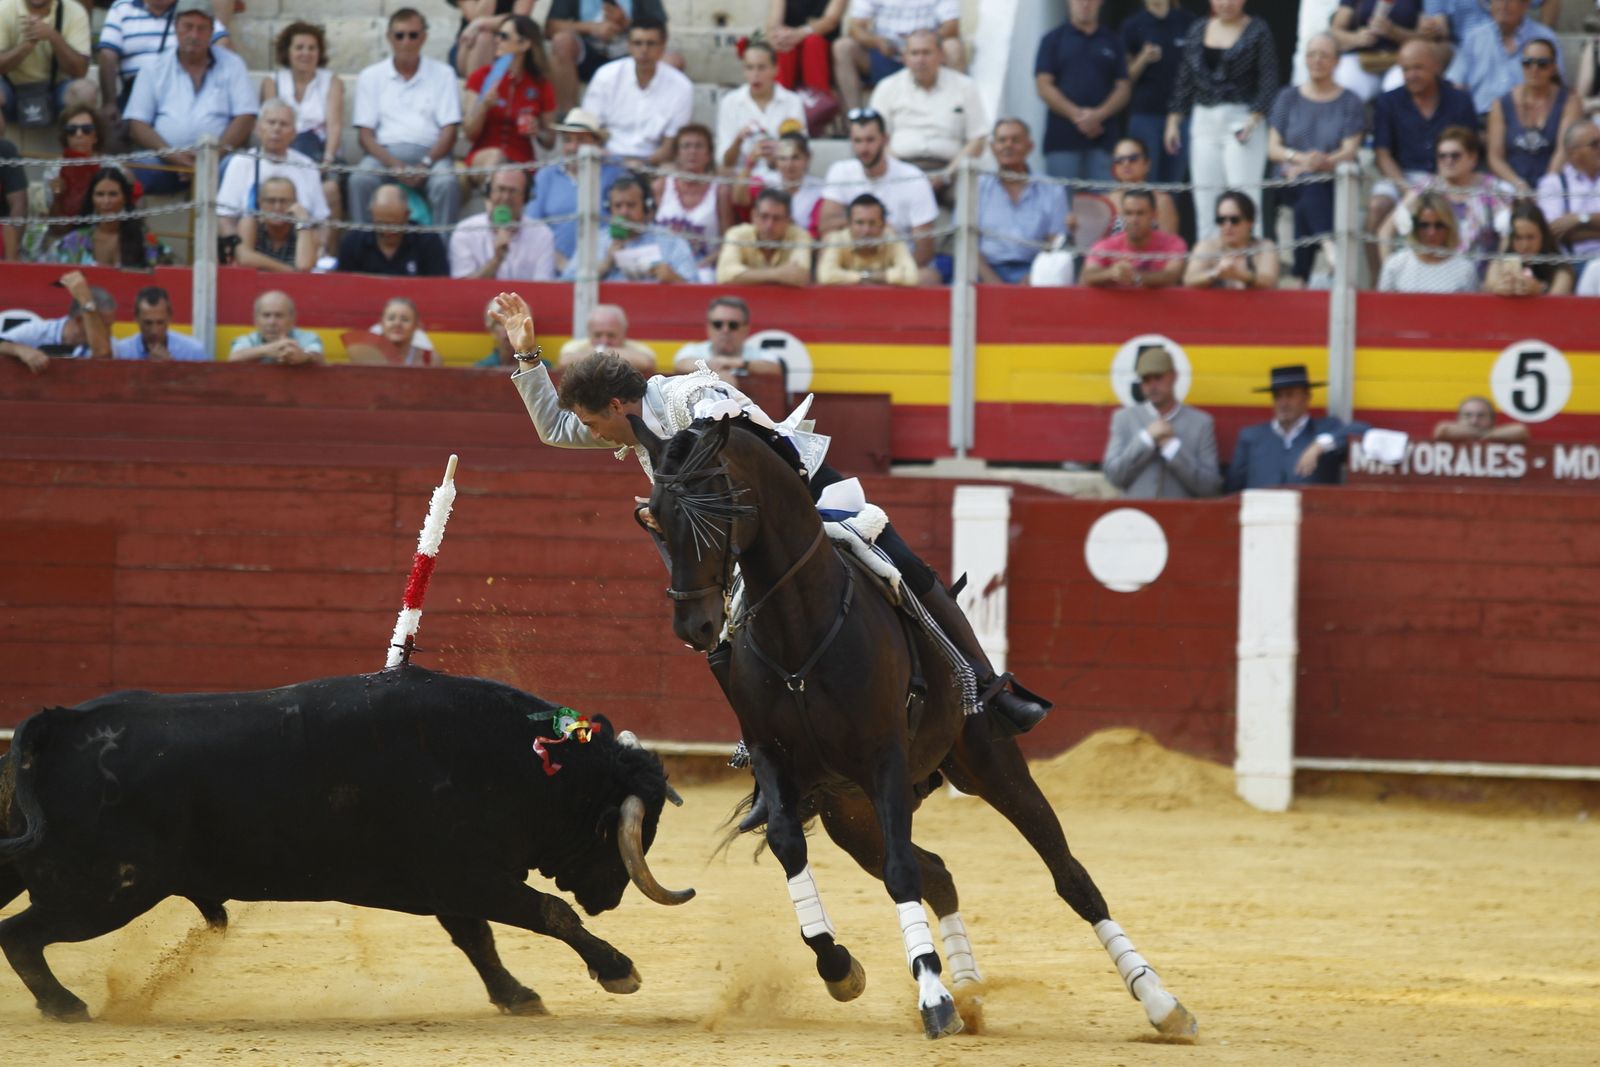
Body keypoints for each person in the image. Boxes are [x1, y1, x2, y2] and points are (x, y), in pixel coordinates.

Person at [493, 294, 1050, 746]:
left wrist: (671, 504)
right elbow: (556, 430)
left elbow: (737, 458)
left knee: (894, 564)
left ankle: (987, 685)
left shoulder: (698, 396)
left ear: (617, 406)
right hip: (743, 536)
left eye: (593, 421)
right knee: (714, 625)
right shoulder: (630, 422)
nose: (588, 433)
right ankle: (764, 738)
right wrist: (527, 357)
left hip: (807, 496)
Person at [1165, 0, 1278, 242]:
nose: (1225, 3)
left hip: (1242, 119)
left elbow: (1268, 81)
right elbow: (1185, 79)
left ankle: (1250, 264)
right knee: (1205, 198)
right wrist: (1174, 120)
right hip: (1204, 119)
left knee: (1245, 195)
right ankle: (1208, 267)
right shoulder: (1198, 28)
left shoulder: (1258, 29)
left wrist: (1254, 118)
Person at [1366, 40, 1478, 278]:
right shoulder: (1388, 101)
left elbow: (1469, 147)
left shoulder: (1459, 99)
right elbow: (1382, 154)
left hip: (1449, 174)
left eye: (1418, 68)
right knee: (1377, 207)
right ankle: (1379, 283)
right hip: (1401, 175)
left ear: (1436, 66)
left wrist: (1443, 180)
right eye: (1405, 69)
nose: (1411, 75)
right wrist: (1405, 187)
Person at [124, 0, 256, 196]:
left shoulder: (232, 64)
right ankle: (136, 228)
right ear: (175, 27)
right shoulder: (154, 68)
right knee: (130, 170)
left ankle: (229, 226)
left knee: (245, 167)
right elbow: (137, 123)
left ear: (212, 31)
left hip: (218, 160)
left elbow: (245, 117)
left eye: (202, 29)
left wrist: (212, 157)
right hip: (166, 161)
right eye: (188, 27)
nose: (194, 35)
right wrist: (173, 156)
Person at [349, 9, 462, 228]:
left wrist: (425, 163)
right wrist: (394, 165)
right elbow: (365, 136)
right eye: (400, 35)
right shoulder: (371, 76)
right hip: (385, 156)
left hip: (431, 156)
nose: (406, 42)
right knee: (360, 180)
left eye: (413, 35)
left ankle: (440, 256)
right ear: (389, 38)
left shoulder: (444, 74)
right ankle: (363, 250)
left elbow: (450, 130)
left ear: (424, 37)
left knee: (447, 183)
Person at [1266, 34, 1365, 285]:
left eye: (1324, 55)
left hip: (1332, 180)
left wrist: (1320, 163)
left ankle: (1301, 275)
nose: (1317, 60)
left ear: (1337, 62)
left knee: (1306, 199)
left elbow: (1350, 150)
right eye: (1311, 54)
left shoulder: (1350, 101)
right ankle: (1329, 246)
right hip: (1291, 181)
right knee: (1307, 186)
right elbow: (1273, 148)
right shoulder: (1287, 97)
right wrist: (1300, 159)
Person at [818, 108, 938, 270]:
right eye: (858, 141)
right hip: (852, 263)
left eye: (870, 140)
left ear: (885, 140)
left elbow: (924, 251)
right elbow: (826, 225)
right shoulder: (840, 171)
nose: (864, 149)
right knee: (828, 240)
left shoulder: (913, 178)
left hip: (899, 264)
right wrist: (874, 225)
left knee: (928, 276)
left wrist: (893, 274)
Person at [871, 27, 987, 194]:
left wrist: (947, 174)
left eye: (926, 53)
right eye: (914, 53)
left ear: (941, 55)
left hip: (951, 172)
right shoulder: (887, 87)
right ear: (904, 57)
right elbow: (877, 138)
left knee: (974, 196)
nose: (920, 59)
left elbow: (978, 139)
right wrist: (902, 172)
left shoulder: (965, 86)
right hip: (899, 170)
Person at [1102, 344, 1221, 500]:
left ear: (1173, 376)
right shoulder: (1123, 419)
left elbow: (1210, 487)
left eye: (1158, 378)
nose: (1152, 386)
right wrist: (1146, 438)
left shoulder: (1201, 423)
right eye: (1146, 380)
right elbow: (1114, 476)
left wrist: (1172, 448)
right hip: (1137, 518)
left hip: (1182, 519)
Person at [1034, 0, 1130, 188]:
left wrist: (1098, 115)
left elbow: (1123, 87)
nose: (1085, 4)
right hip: (1062, 141)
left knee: (1104, 208)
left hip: (1104, 141)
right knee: (1062, 209)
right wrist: (1078, 116)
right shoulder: (1052, 40)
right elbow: (1043, 86)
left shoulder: (1113, 41)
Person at [1382, 126, 1509, 266]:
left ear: (1473, 158)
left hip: (1480, 281)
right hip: (1431, 277)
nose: (1448, 161)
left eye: (1455, 155)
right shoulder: (1426, 187)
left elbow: (1509, 233)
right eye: (1442, 156)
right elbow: (1386, 231)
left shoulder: (1491, 188)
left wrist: (1496, 270)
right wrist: (1391, 273)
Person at [259, 20, 343, 232]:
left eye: (312, 48)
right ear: (287, 51)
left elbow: (334, 126)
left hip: (320, 153)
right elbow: (269, 123)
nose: (306, 53)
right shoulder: (273, 81)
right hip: (282, 151)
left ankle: (326, 258)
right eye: (299, 47)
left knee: (330, 188)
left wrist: (327, 160)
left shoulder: (331, 81)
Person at [1224, 364, 1359, 492]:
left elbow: (1361, 429)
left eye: (1290, 395)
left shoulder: (1326, 428)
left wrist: (1319, 446)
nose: (1283, 403)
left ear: (1307, 397)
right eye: (1278, 396)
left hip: (1311, 513)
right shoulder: (1252, 436)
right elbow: (1234, 486)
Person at [580, 17, 692, 167]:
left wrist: (642, 164)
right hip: (605, 161)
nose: (644, 50)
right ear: (629, 46)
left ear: (663, 47)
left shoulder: (681, 86)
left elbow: (671, 144)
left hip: (654, 165)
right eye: (638, 43)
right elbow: (589, 129)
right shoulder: (606, 76)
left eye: (651, 44)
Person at [216, 98, 330, 240]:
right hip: (249, 248)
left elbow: (321, 221)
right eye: (271, 122)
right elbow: (225, 218)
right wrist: (235, 249)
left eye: (284, 124)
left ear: (294, 132)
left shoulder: (308, 166)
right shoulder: (240, 163)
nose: (276, 129)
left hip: (297, 249)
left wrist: (319, 251)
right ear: (258, 129)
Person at [98, 0, 229, 123]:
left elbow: (221, 42)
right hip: (135, 93)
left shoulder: (190, 6)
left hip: (183, 90)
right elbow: (107, 55)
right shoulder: (122, 7)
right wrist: (109, 103)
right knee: (113, 133)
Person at [528, 107, 625, 268]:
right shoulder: (546, 175)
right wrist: (562, 266)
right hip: (552, 269)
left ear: (597, 143)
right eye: (567, 140)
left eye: (581, 140)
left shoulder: (614, 173)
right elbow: (532, 227)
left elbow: (624, 221)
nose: (573, 147)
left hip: (605, 268)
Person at [462, 14, 557, 175]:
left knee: (517, 174)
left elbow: (551, 140)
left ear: (524, 44)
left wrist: (537, 131)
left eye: (504, 36)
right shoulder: (481, 77)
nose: (497, 40)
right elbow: (469, 133)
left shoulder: (541, 85)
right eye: (497, 34)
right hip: (484, 157)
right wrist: (484, 106)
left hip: (522, 162)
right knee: (497, 158)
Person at [977, 117, 1068, 285]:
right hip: (984, 271)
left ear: (1030, 147)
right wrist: (992, 281)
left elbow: (1055, 242)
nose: (1008, 145)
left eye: (1016, 140)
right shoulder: (977, 187)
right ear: (992, 148)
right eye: (1002, 140)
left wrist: (1033, 276)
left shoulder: (1052, 188)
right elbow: (965, 242)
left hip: (1034, 270)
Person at [562, 172, 697, 283]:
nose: (624, 212)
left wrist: (673, 278)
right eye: (618, 206)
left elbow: (696, 291)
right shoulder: (595, 242)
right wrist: (604, 266)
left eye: (631, 205)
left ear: (646, 207)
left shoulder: (671, 242)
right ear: (610, 209)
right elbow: (564, 283)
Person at [1486, 38, 1582, 193]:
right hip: (1511, 185)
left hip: (1555, 183)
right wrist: (1518, 185)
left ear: (1553, 68)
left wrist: (1547, 185)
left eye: (1542, 63)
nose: (1534, 68)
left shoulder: (1569, 101)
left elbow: (1564, 150)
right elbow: (1495, 157)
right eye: (1527, 62)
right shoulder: (1501, 104)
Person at [834, 0, 964, 112]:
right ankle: (856, 124)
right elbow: (855, 28)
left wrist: (922, 43)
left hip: (925, 54)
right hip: (884, 54)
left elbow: (952, 26)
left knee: (953, 47)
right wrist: (876, 42)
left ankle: (953, 115)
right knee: (843, 47)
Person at [545, 0, 671, 116]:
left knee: (672, 61)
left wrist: (625, 23)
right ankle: (568, 118)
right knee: (562, 41)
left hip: (630, 55)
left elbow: (660, 30)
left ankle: (653, 119)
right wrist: (591, 28)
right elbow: (551, 28)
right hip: (588, 55)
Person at [1120, 0, 1196, 185]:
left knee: (1174, 184)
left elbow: (1199, 70)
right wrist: (1143, 59)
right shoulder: (1133, 25)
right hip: (1146, 116)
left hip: (1180, 117)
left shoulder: (1187, 21)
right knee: (1143, 182)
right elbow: (1123, 79)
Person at [1446, 0, 1562, 116]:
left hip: (1525, 121)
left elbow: (1557, 86)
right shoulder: (1474, 38)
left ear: (1525, 4)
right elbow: (1455, 83)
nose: (1503, 5)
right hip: (1479, 120)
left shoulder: (1545, 37)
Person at [43, 167, 172, 267]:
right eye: (100, 194)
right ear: (92, 199)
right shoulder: (73, 242)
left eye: (113, 194)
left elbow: (166, 273)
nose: (106, 201)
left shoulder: (145, 240)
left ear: (124, 199)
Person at [448, 165, 557, 280]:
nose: (505, 197)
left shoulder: (542, 235)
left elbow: (543, 289)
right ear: (489, 192)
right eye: (501, 189)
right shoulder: (465, 231)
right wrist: (496, 260)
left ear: (525, 197)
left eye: (513, 191)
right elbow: (461, 290)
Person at [717, 39, 806, 176]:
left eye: (761, 67)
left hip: (782, 179)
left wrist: (777, 152)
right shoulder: (730, 102)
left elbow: (801, 153)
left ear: (775, 69)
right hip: (742, 181)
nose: (755, 75)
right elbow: (725, 162)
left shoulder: (792, 101)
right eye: (750, 68)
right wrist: (738, 140)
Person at [651, 123, 727, 283]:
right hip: (664, 264)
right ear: (677, 154)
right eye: (686, 146)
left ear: (708, 155)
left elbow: (728, 241)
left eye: (699, 146)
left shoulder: (720, 191)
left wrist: (706, 262)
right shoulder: (662, 186)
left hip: (703, 267)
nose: (692, 151)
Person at [0, 270, 112, 370]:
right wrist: (20, 350)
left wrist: (85, 300)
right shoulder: (41, 330)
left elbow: (102, 355)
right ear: (78, 320)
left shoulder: (110, 344)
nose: (109, 332)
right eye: (104, 326)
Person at [0, 0, 91, 123]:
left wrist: (53, 36)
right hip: (11, 92)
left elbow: (80, 71)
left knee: (85, 91)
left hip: (55, 93)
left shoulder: (75, 11)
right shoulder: (4, 8)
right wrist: (26, 46)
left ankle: (76, 138)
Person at [335, 183, 450, 276]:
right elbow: (343, 288)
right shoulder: (353, 242)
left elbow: (440, 289)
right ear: (372, 214)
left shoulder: (429, 242)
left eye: (394, 225)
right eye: (381, 224)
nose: (387, 231)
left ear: (407, 215)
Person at [1081, 188, 1186, 289]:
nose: (1134, 220)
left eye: (1140, 213)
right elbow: (1087, 276)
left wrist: (1135, 277)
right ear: (1122, 216)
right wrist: (1111, 273)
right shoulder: (1106, 245)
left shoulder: (1173, 243)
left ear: (1154, 215)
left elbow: (1172, 276)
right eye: (1128, 213)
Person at [1378, 189, 1481, 292]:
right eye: (1424, 225)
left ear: (1449, 227)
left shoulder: (1465, 270)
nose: (1432, 232)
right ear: (1414, 227)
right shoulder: (1396, 265)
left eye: (1439, 225)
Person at [817, 191, 922, 286]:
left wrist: (857, 277)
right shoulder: (838, 239)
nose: (866, 230)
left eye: (872, 223)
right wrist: (868, 276)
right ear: (849, 224)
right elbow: (825, 276)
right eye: (859, 223)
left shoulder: (892, 239)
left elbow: (912, 276)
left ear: (883, 225)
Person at [734, 130, 827, 237]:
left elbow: (816, 233)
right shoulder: (765, 181)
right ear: (776, 159)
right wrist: (750, 164)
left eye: (795, 157)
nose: (788, 164)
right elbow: (739, 199)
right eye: (783, 158)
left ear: (807, 158)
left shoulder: (820, 190)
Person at [671, 294, 782, 382]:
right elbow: (681, 363)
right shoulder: (693, 350)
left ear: (746, 328)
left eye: (733, 325)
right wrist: (711, 365)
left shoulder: (760, 354)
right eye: (718, 324)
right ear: (708, 327)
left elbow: (775, 368)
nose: (725, 330)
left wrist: (739, 364)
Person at [1328, 0, 1422, 102]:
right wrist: (1357, 38)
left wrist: (1394, 32)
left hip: (1400, 61)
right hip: (1361, 58)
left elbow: (1426, 38)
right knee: (1347, 82)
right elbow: (1335, 31)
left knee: (1397, 88)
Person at [1182, 189, 1278, 289]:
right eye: (1221, 220)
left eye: (1234, 220)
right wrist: (1215, 273)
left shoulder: (1264, 247)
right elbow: (1189, 280)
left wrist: (1239, 275)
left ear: (1250, 222)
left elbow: (1269, 281)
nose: (1227, 225)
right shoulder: (1208, 246)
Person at [716, 186, 812, 286]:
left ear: (788, 221)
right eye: (764, 216)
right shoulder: (737, 234)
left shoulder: (799, 236)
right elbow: (724, 275)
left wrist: (747, 276)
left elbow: (800, 276)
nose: (769, 225)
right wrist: (777, 274)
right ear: (753, 216)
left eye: (777, 218)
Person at [1537, 119, 1600, 260]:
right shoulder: (1554, 184)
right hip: (1575, 265)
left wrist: (1580, 218)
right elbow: (1552, 231)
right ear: (1574, 153)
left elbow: (1566, 231)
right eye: (1595, 144)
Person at [1485, 201, 1575, 296]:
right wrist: (1499, 288)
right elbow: (1489, 288)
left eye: (1530, 237)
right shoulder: (1498, 264)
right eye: (1518, 237)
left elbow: (1557, 305)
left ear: (1543, 236)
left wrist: (1539, 290)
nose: (1525, 245)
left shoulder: (1561, 271)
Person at [233, 175, 318, 272]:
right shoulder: (251, 223)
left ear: (295, 203)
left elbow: (304, 266)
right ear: (260, 203)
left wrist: (303, 222)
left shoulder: (303, 231)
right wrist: (289, 271)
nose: (277, 207)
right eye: (271, 201)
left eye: (284, 201)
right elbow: (244, 258)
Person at [765, 0, 847, 95]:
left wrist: (801, 33)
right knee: (784, 46)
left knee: (813, 42)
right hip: (791, 46)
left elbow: (831, 21)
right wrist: (777, 36)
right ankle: (780, 99)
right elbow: (773, 22)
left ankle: (818, 99)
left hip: (822, 48)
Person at [556, 301, 657, 374]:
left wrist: (598, 352)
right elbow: (564, 363)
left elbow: (647, 364)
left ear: (623, 333)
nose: (604, 341)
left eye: (611, 335)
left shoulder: (640, 348)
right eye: (598, 335)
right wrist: (610, 353)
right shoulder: (574, 346)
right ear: (589, 332)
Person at [113, 285, 208, 361]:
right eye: (148, 323)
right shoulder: (121, 352)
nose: (154, 331)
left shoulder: (192, 351)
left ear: (170, 318)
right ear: (136, 318)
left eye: (160, 322)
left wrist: (170, 368)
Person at [227, 289, 322, 364]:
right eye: (266, 315)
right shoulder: (247, 340)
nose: (272, 322)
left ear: (292, 319)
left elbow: (319, 356)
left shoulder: (307, 337)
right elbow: (233, 358)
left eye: (279, 315)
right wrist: (267, 350)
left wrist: (304, 357)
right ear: (255, 319)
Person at [1108, 136, 1179, 235]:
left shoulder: (1162, 201)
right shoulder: (1106, 202)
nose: (1126, 164)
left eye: (1133, 158)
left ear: (1147, 164)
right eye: (1119, 159)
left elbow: (1169, 245)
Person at [366, 296, 437, 367]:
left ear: (416, 325)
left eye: (405, 319)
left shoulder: (430, 359)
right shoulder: (366, 357)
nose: (397, 324)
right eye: (391, 318)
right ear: (382, 323)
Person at [1433, 395, 1530, 441]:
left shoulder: (1497, 435)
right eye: (1468, 415)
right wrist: (1483, 434)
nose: (1474, 421)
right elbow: (1442, 430)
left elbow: (1520, 431)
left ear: (1492, 420)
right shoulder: (1448, 431)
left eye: (1481, 416)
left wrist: (1485, 435)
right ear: (1458, 419)